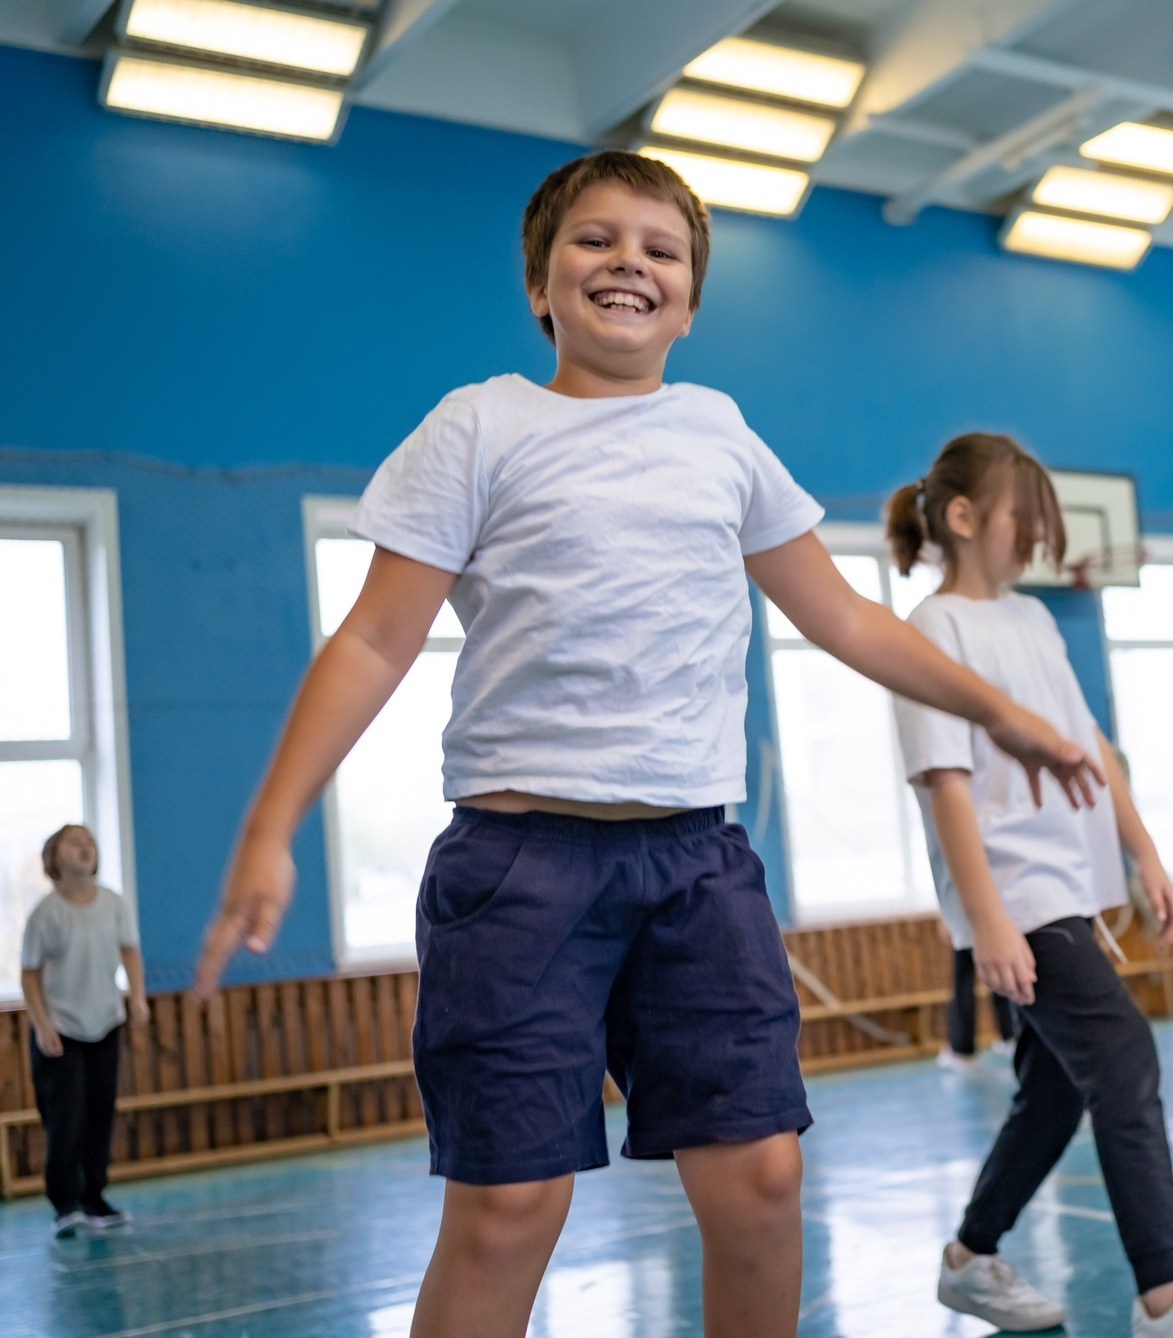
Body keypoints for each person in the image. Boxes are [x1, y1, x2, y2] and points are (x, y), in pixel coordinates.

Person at [188, 150, 1103, 1338]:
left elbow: (843, 617)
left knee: (764, 1181)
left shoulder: (718, 433)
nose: (629, 262)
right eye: (596, 241)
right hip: (519, 870)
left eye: (660, 249)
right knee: (510, 1204)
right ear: (539, 285)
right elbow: (371, 640)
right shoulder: (478, 425)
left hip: (696, 869)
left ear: (692, 298)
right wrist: (271, 828)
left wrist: (1001, 710)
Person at [889, 432, 1173, 1338]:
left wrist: (1144, 852)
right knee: (1122, 1057)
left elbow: (1093, 748)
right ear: (962, 520)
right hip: (1019, 898)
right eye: (1022, 518)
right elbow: (944, 780)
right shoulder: (933, 631)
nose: (1039, 536)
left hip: (1067, 889)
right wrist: (988, 919)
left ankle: (969, 1258)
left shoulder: (1032, 621)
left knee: (1056, 1088)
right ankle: (1166, 1295)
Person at [21, 823, 147, 1239]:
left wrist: (138, 997)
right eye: (75, 842)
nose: (85, 848)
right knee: (65, 1117)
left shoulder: (113, 903)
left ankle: (95, 1197)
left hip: (104, 1023)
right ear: (55, 857)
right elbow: (30, 974)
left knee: (99, 1112)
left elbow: (129, 950)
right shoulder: (46, 914)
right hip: (61, 1029)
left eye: (90, 842)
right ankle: (65, 1203)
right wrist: (42, 1025)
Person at [942, 925, 1018, 1070]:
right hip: (992, 923)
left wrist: (946, 920)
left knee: (964, 979)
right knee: (998, 972)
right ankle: (1010, 1035)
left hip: (969, 923)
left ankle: (961, 1049)